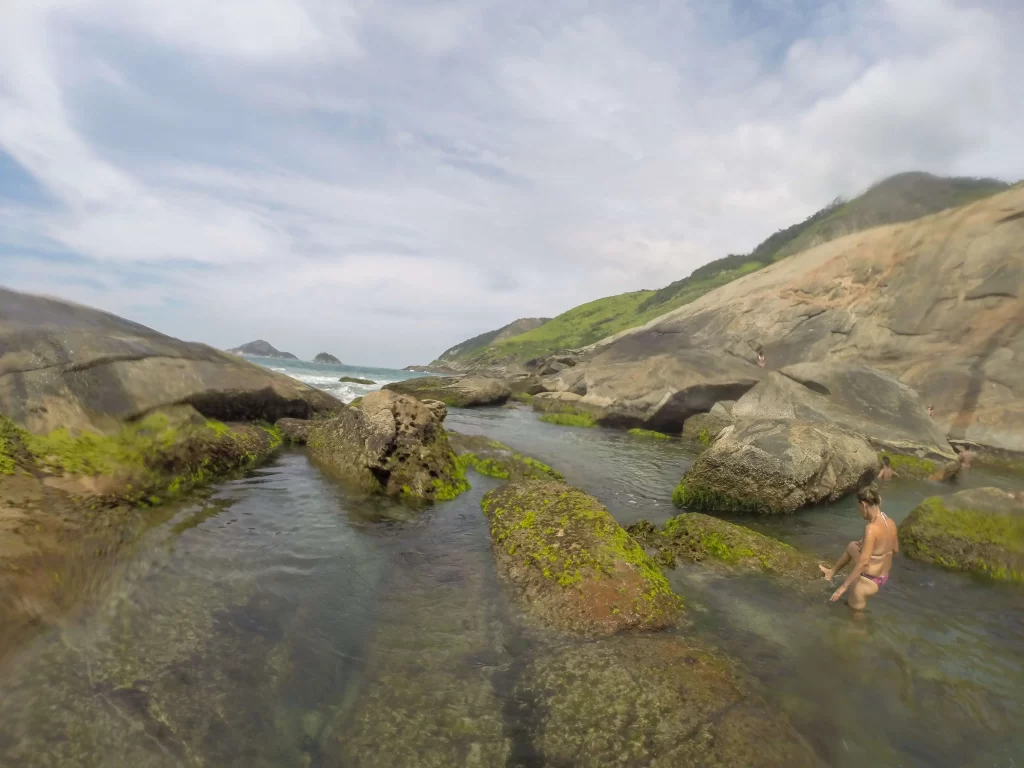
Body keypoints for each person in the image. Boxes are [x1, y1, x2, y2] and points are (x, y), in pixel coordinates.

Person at [819, 485, 898, 610]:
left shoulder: (871, 529)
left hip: (868, 581)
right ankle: (830, 572)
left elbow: (863, 564)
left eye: (859, 508)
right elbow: (895, 549)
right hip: (883, 576)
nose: (860, 511)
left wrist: (843, 587)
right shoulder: (890, 522)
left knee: (855, 622)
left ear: (863, 504)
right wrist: (875, 552)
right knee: (852, 546)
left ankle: (835, 576)